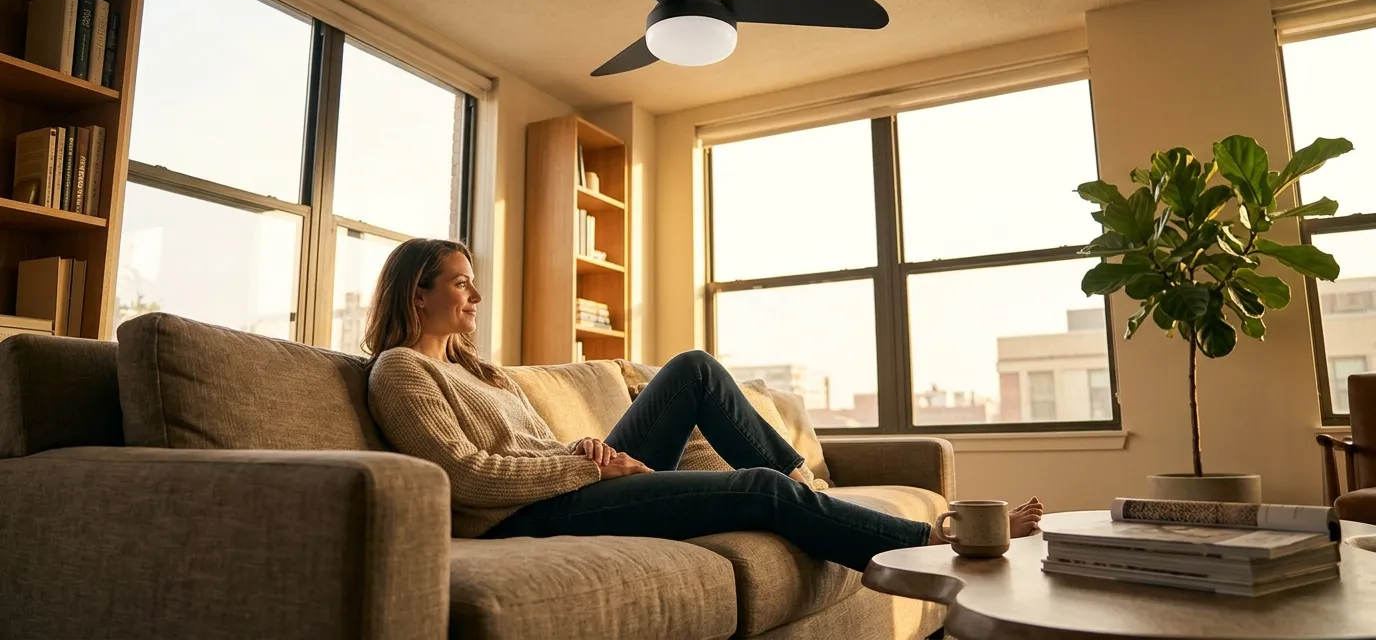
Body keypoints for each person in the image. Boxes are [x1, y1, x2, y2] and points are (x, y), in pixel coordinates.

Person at [364, 238, 1043, 572]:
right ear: (416, 293)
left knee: (692, 369)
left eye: (474, 284)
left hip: (568, 483)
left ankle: (798, 479)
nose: (475, 298)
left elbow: (538, 447)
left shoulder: (484, 372)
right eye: (460, 284)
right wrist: (588, 469)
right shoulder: (402, 371)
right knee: (756, 492)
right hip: (521, 518)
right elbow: (465, 474)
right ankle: (932, 541)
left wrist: (586, 452)